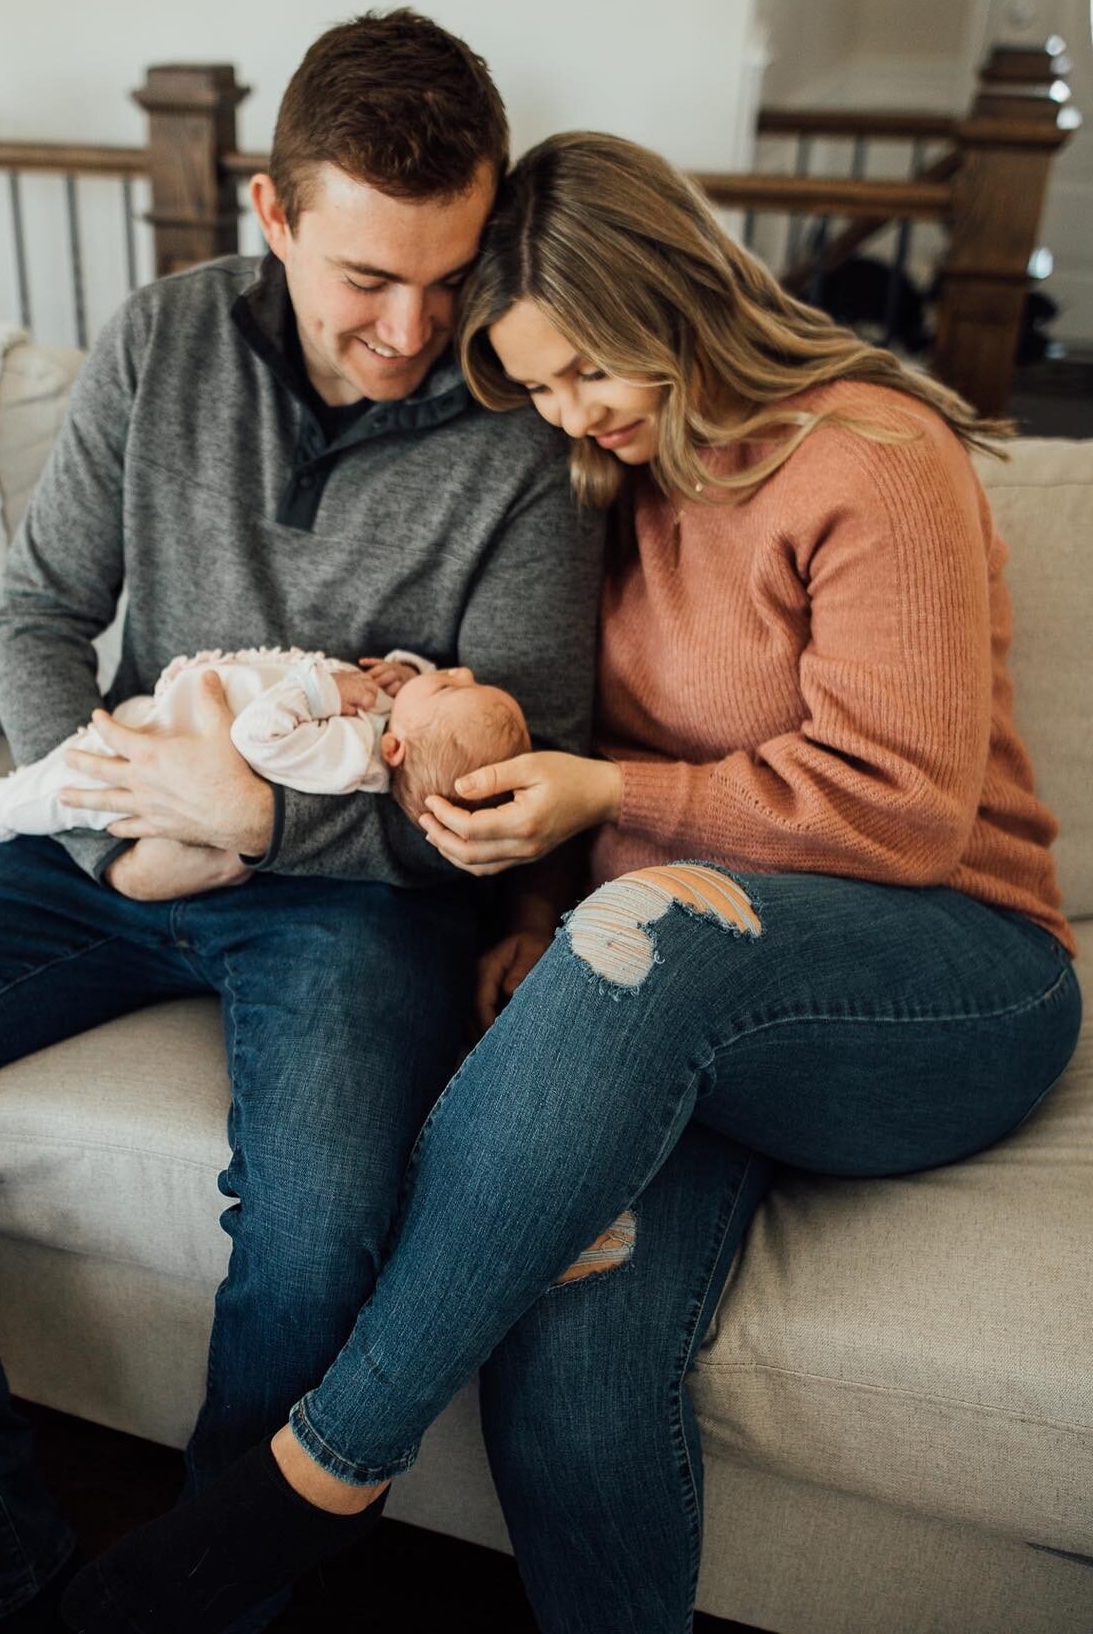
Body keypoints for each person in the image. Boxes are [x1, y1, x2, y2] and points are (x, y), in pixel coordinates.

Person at [59, 131, 1082, 1634]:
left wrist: (614, 809)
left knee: (649, 922)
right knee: (573, 1345)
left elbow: (907, 814)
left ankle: (323, 1468)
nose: (569, 415)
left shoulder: (872, 457)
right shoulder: (613, 485)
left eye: (589, 370)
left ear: (676, 294)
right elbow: (580, 747)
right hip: (692, 1005)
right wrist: (532, 916)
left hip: (945, 979)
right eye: (536, 385)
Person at [0, 14, 604, 1633]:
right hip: (109, 836)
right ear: (272, 213)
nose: (411, 329)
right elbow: (39, 612)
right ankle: (10, 1585)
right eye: (365, 280)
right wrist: (106, 811)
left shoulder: (519, 431)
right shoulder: (163, 336)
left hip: (359, 898)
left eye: (448, 275)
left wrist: (262, 823)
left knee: (322, 1234)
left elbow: (527, 781)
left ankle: (202, 1605)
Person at [0, 647, 530, 896]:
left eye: (450, 689)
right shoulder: (387, 721)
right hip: (173, 725)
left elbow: (260, 736)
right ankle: (15, 796)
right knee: (84, 755)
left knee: (79, 787)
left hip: (176, 753)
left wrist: (321, 690)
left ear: (396, 750)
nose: (462, 672)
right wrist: (409, 672)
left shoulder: (353, 750)